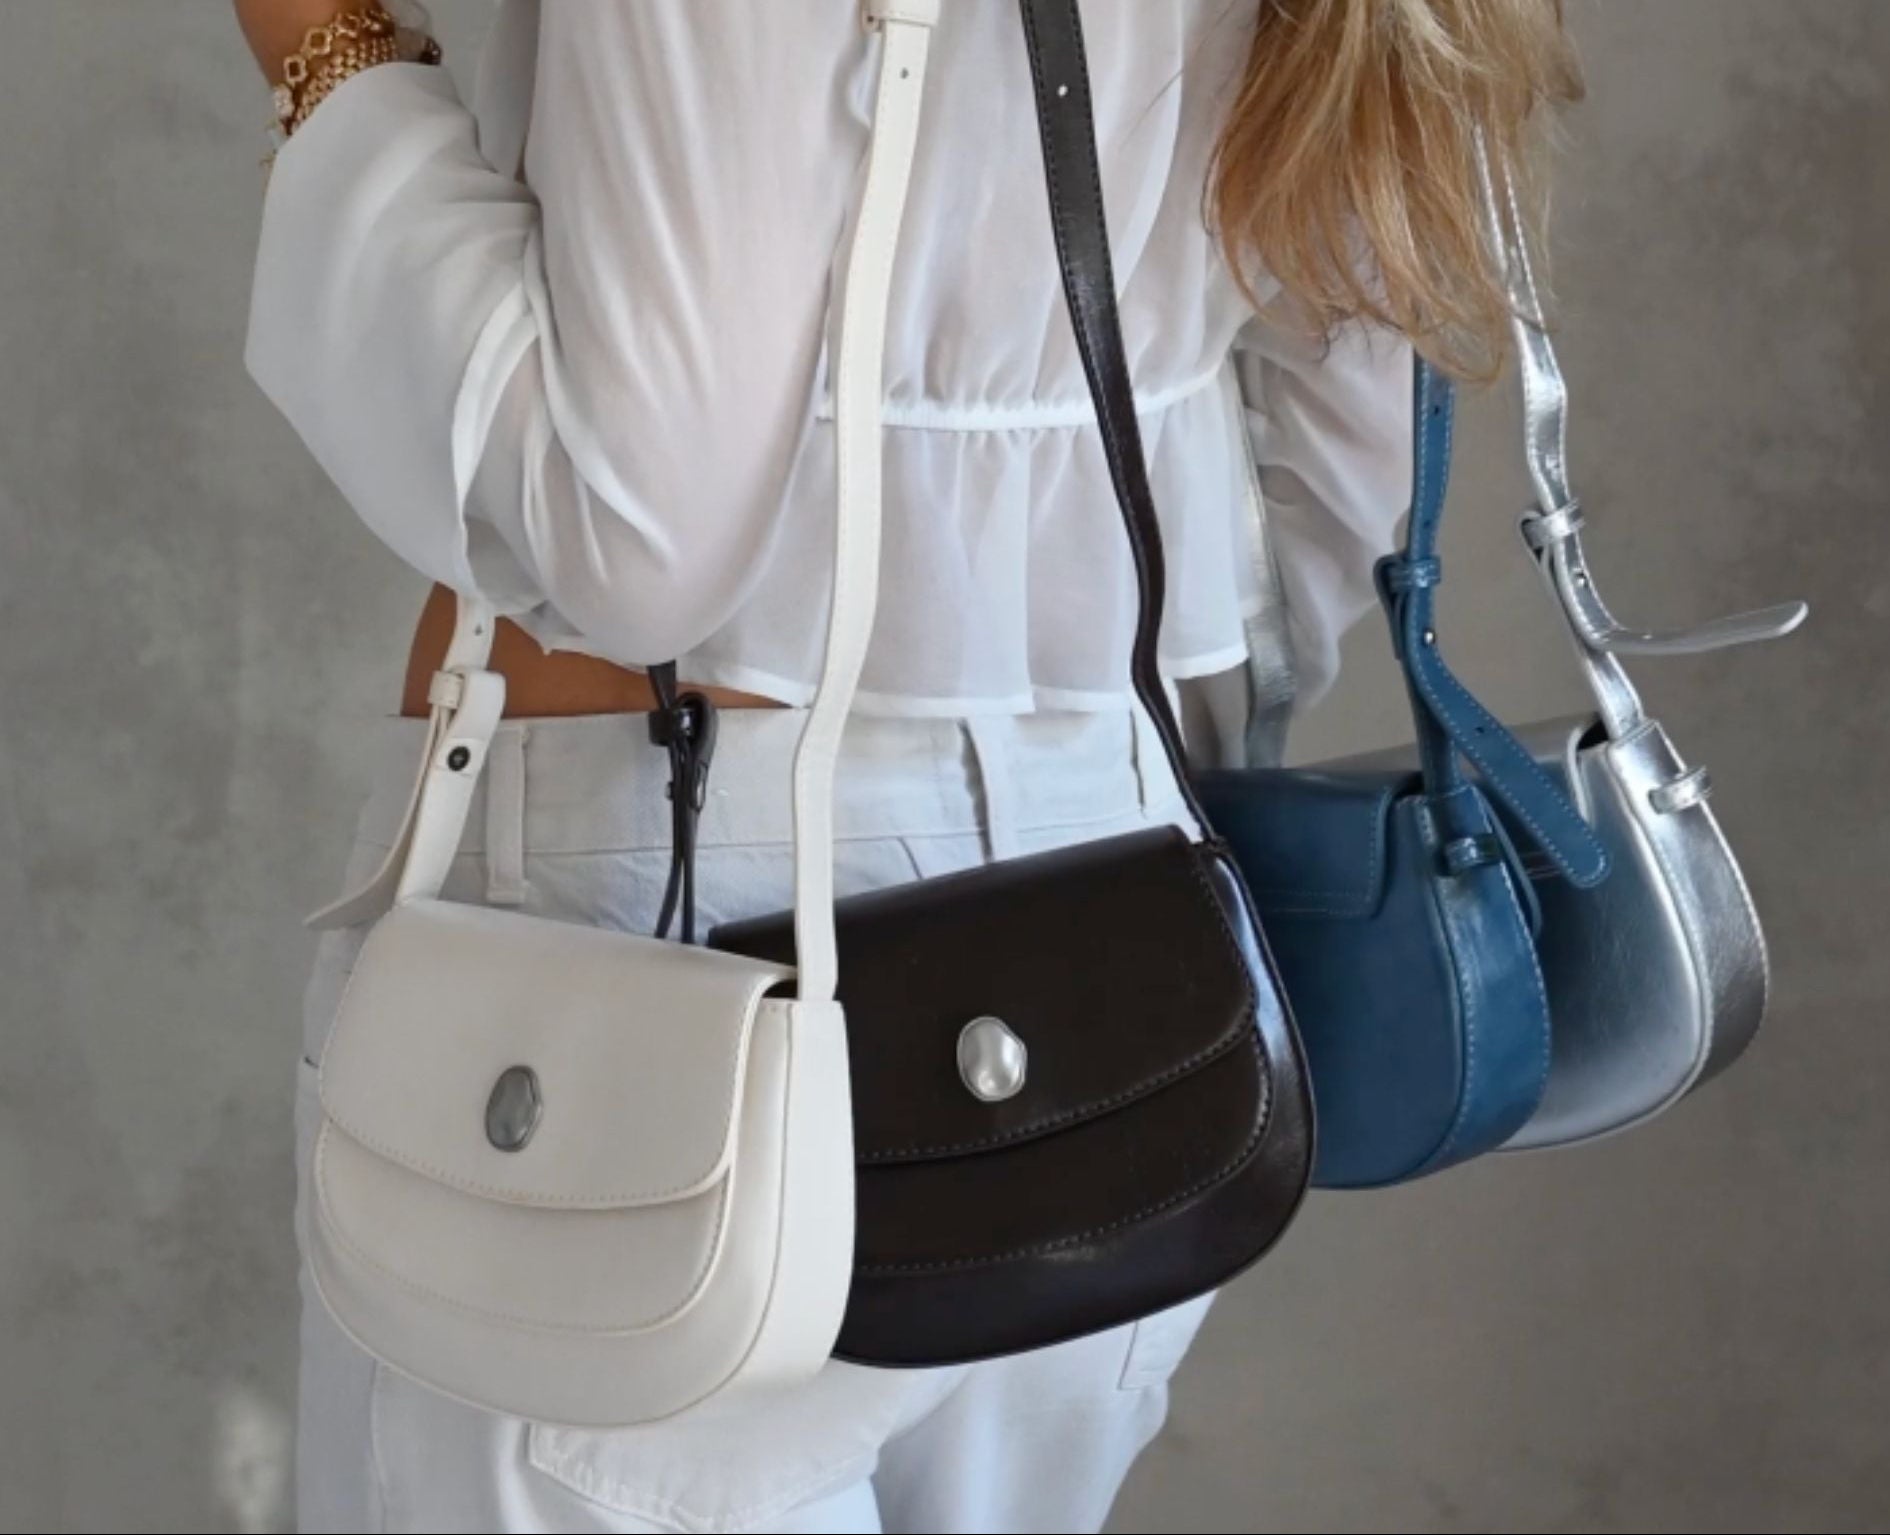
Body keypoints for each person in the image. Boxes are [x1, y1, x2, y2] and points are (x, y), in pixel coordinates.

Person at [238, 1, 1579, 1530]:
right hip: (1124, 955)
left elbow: (633, 524)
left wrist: (321, 46)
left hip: (674, 933)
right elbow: (1344, 463)